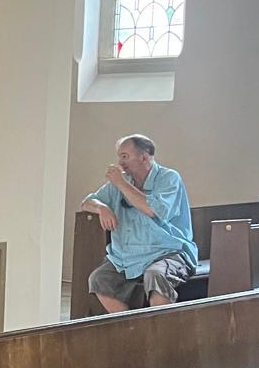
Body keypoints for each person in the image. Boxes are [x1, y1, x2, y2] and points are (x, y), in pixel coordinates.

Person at [80, 134, 198, 312]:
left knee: (156, 275)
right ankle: (131, 330)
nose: (120, 162)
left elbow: (152, 210)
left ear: (144, 156)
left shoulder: (169, 178)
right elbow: (87, 202)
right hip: (127, 256)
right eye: (119, 156)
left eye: (125, 156)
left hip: (167, 252)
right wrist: (102, 208)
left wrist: (120, 183)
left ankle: (160, 333)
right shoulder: (120, 183)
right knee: (99, 278)